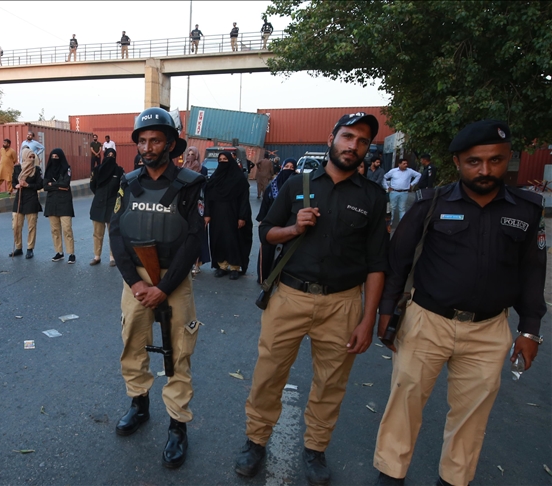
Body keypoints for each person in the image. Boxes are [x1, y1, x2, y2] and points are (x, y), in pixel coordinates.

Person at [372, 120, 546, 486]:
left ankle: (453, 480)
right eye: (474, 162)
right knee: (405, 401)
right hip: (427, 322)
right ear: (457, 162)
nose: (485, 170)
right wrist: (386, 312)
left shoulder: (527, 210)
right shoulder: (430, 203)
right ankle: (390, 475)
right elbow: (398, 261)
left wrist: (530, 329)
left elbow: (533, 271)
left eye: (495, 160)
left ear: (508, 158)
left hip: (488, 330)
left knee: (472, 414)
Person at [234, 113, 388, 484]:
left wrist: (368, 319)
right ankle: (256, 441)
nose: (353, 146)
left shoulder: (372, 196)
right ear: (331, 138)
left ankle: (316, 448)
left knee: (331, 382)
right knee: (268, 374)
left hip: (343, 304)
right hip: (290, 296)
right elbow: (267, 232)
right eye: (347, 136)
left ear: (367, 149)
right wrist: (294, 227)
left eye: (362, 141)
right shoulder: (295, 183)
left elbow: (377, 263)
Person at [109, 107, 206, 469]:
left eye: (155, 140)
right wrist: (135, 282)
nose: (148, 147)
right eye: (143, 141)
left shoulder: (191, 183)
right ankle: (139, 404)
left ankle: (178, 426)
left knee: (178, 352)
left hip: (173, 280)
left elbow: (193, 239)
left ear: (170, 144)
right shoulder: (128, 182)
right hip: (135, 280)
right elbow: (116, 234)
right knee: (132, 344)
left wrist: (164, 287)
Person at [204, 151, 252, 280]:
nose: (222, 162)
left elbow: (244, 200)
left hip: (233, 215)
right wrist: (207, 214)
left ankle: (235, 266)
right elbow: (208, 197)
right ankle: (222, 266)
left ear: (230, 161)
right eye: (220, 160)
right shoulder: (215, 178)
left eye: (225, 159)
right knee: (219, 239)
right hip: (217, 215)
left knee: (233, 240)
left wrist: (242, 217)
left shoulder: (239, 179)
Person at [89, 147, 124, 266]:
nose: (110, 157)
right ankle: (97, 256)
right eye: (108, 155)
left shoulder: (119, 171)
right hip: (98, 205)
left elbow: (122, 187)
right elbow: (92, 186)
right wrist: (100, 195)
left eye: (113, 156)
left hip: (112, 206)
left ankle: (112, 257)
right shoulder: (97, 170)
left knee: (113, 233)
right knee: (97, 233)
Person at [44, 148, 76, 263]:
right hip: (52, 203)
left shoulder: (67, 169)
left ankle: (71, 253)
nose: (54, 159)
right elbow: (45, 186)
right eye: (53, 157)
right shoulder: (48, 170)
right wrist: (58, 186)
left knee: (67, 228)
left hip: (64, 202)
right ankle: (59, 252)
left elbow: (66, 183)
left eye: (57, 157)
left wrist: (52, 184)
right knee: (55, 230)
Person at [10, 148, 43, 259]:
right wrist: (16, 186)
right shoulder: (17, 168)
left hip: (31, 199)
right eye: (30, 157)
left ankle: (30, 248)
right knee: (16, 225)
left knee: (31, 226)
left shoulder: (36, 170)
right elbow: (13, 182)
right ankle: (18, 247)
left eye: (33, 157)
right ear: (24, 157)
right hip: (19, 199)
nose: (32, 159)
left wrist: (28, 185)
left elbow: (40, 184)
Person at [182, 146, 209, 275]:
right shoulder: (182, 169)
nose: (190, 157)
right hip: (184, 205)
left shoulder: (202, 169)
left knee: (198, 234)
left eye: (193, 154)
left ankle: (197, 263)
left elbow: (205, 189)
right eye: (188, 154)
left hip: (199, 205)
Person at [383, 159, 421, 229]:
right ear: (399, 164)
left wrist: (412, 184)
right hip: (394, 191)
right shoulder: (393, 171)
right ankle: (390, 223)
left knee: (402, 208)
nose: (406, 165)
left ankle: (402, 224)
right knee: (392, 208)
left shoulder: (409, 171)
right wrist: (387, 187)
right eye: (404, 164)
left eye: (406, 163)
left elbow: (419, 175)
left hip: (404, 192)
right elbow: (384, 177)